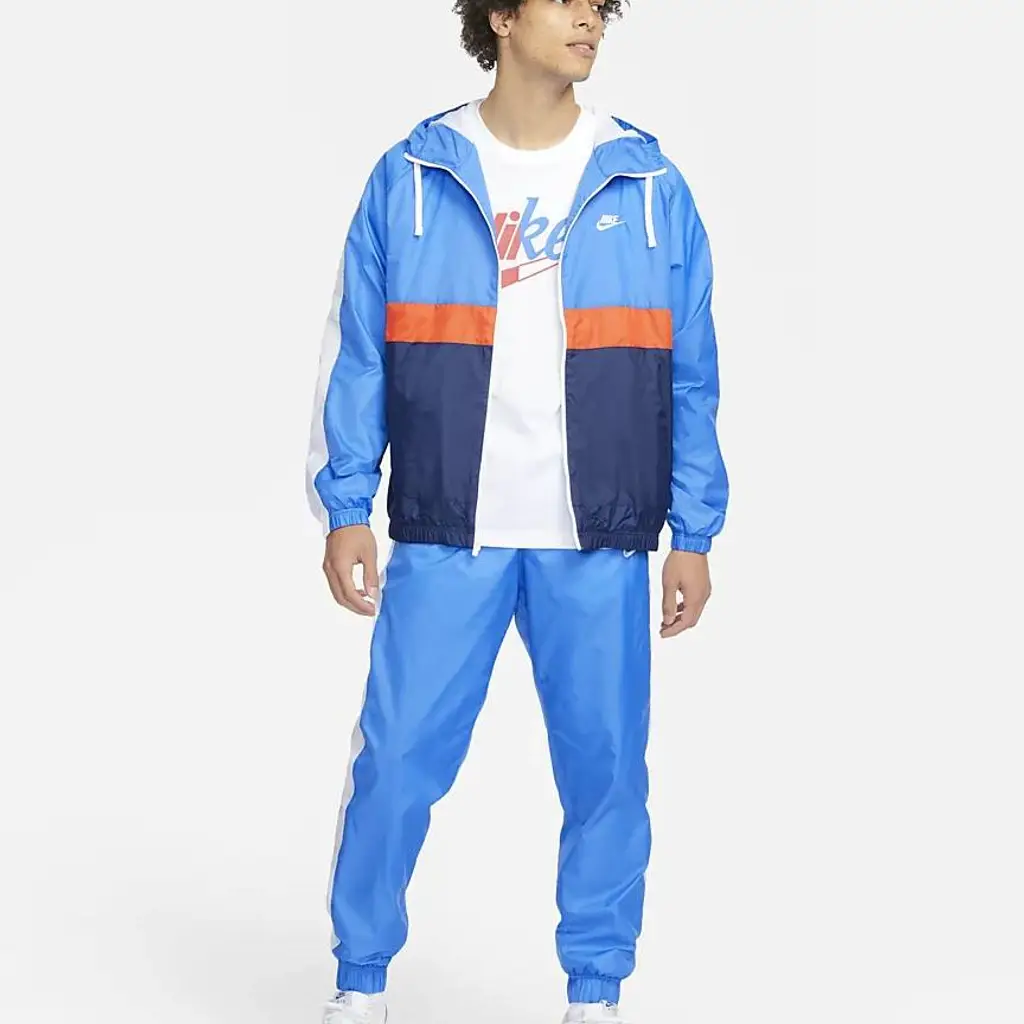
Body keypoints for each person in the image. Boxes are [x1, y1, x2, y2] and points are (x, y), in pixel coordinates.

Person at [305, 1, 729, 1021]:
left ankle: (596, 993)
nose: (590, 19)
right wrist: (346, 504)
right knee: (395, 760)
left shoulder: (649, 183)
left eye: (599, 5)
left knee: (607, 777)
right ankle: (359, 982)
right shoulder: (413, 176)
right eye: (566, 0)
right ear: (500, 16)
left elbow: (691, 373)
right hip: (450, 528)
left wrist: (695, 528)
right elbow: (357, 351)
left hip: (599, 536)